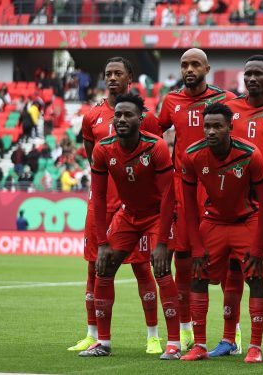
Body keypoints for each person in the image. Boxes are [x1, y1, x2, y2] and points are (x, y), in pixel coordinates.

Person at [69, 57, 165, 355]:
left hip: (133, 206)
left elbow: (154, 157)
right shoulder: (92, 116)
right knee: (95, 267)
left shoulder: (144, 116)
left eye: (118, 73)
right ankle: (93, 334)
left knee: (141, 267)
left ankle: (153, 336)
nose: (112, 78)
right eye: (108, 73)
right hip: (102, 204)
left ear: (129, 77)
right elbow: (94, 156)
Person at [78, 93, 180, 358]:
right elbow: (99, 198)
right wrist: (101, 243)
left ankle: (174, 344)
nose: (121, 119)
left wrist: (161, 243)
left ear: (140, 119)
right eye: (118, 115)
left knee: (160, 269)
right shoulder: (103, 149)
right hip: (127, 215)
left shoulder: (155, 146)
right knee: (104, 266)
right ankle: (103, 342)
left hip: (157, 214)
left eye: (128, 115)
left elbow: (169, 196)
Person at [208, 55, 263, 361]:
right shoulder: (231, 108)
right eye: (248, 74)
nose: (252, 78)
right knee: (235, 268)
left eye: (258, 74)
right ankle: (230, 338)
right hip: (238, 199)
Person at [158, 48, 237, 351]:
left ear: (207, 68)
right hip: (183, 189)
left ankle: (233, 332)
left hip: (217, 186)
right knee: (185, 261)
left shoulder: (226, 100)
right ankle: (186, 331)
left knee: (231, 262)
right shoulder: (171, 101)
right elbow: (152, 130)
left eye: (195, 64)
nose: (189, 69)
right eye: (184, 65)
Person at [179, 103, 263, 362]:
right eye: (207, 126)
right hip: (214, 223)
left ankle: (255, 346)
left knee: (255, 278)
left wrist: (258, 246)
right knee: (197, 277)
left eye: (218, 126)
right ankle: (199, 345)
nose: (211, 131)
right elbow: (188, 207)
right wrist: (196, 246)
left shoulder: (250, 154)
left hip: (247, 221)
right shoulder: (193, 155)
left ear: (230, 127)